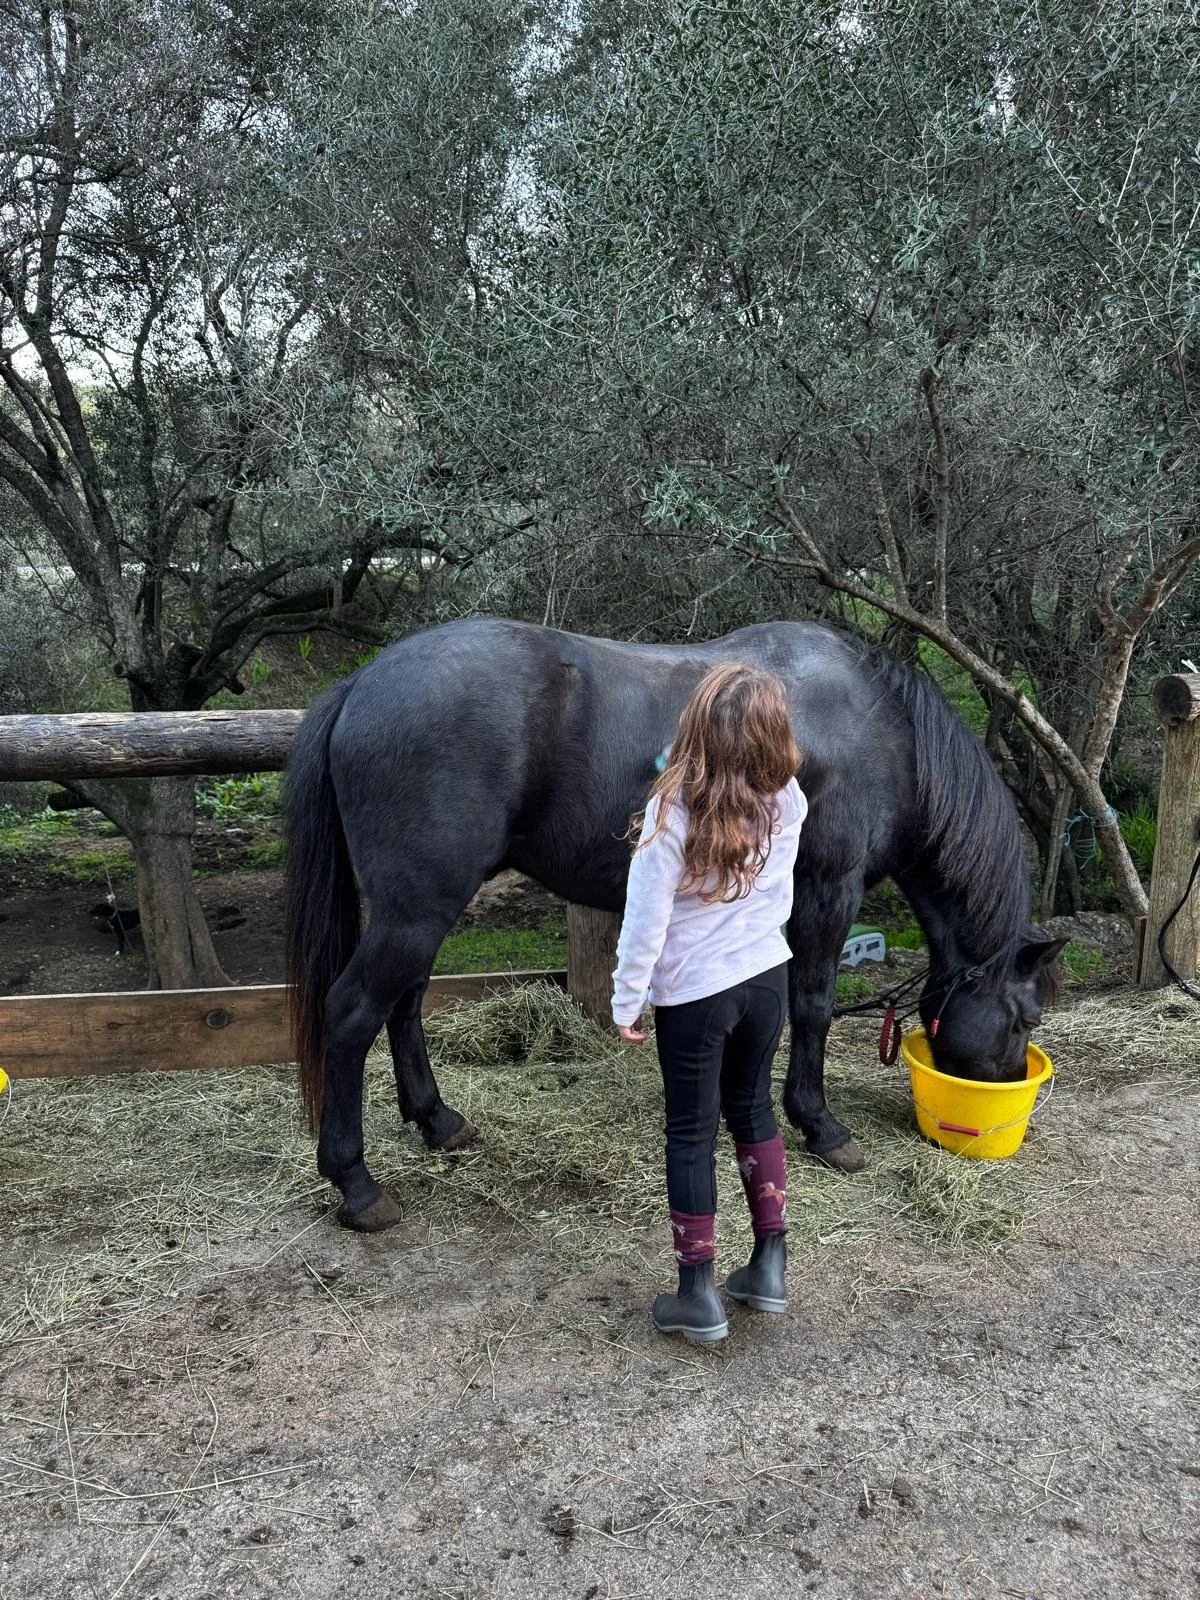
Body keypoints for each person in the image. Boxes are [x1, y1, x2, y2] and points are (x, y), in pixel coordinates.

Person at [612, 661, 807, 1343]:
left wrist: (626, 999)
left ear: (697, 728)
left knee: (691, 1132)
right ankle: (769, 1265)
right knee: (753, 1110)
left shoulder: (672, 810)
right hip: (766, 979)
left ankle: (697, 1290)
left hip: (698, 993)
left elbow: (645, 918)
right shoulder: (789, 801)